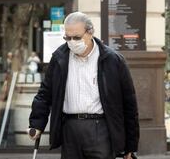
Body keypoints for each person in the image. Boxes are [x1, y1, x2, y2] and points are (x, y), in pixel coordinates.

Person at [28, 12, 139, 159]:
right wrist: (36, 123)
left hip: (101, 128)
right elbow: (45, 94)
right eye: (68, 37)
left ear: (90, 32)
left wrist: (130, 146)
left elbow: (129, 104)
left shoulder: (113, 60)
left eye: (77, 37)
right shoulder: (59, 58)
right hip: (70, 128)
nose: (72, 42)